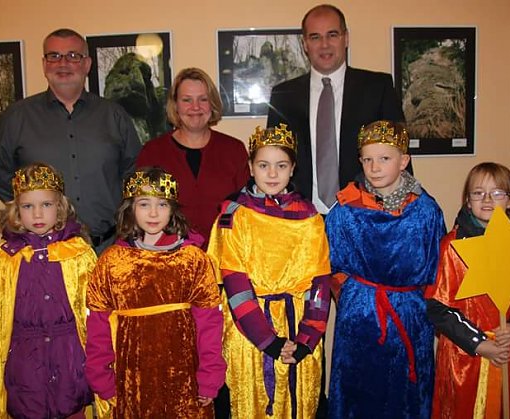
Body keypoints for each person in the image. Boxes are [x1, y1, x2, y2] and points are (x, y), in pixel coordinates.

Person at [207, 124, 331, 418]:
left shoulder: (310, 218)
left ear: (293, 169)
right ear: (250, 167)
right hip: (249, 332)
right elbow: (235, 286)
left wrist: (307, 339)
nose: (272, 174)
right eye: (264, 165)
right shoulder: (234, 215)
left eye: (281, 165)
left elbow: (319, 284)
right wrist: (269, 341)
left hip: (298, 326)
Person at [325, 120, 444, 418]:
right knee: (359, 390)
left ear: (404, 161)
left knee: (404, 392)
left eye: (384, 158)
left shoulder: (426, 210)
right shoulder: (345, 209)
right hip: (359, 316)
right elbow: (332, 267)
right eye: (367, 159)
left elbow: (436, 270)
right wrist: (352, 297)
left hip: (409, 316)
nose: (374, 167)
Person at [85, 167, 225, 418]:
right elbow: (98, 325)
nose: (153, 213)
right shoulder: (112, 261)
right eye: (144, 204)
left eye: (162, 204)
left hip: (185, 380)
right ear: (130, 208)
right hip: (132, 381)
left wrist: (210, 376)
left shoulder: (193, 259)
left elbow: (209, 323)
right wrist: (101, 377)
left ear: (172, 209)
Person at [0, 28, 141, 253]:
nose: (63, 63)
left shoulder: (114, 115)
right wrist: (29, 210)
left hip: (106, 250)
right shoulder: (17, 117)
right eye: (54, 56)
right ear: (44, 64)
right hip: (43, 252)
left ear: (87, 64)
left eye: (73, 56)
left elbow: (133, 174)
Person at [425, 162, 510, 419]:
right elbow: (438, 307)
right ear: (467, 200)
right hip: (465, 356)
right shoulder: (452, 247)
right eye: (478, 193)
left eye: (497, 193)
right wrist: (480, 343)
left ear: (509, 200)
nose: (486, 199)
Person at [0, 162, 97, 418]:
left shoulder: (78, 252)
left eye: (46, 205)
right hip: (25, 363)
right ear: (16, 212)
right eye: (28, 206)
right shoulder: (5, 258)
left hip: (70, 359)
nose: (38, 214)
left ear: (60, 208)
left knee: (72, 410)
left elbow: (95, 310)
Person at [267, 4, 406, 214]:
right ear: (305, 44)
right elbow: (272, 158)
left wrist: (402, 212)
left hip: (365, 217)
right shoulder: (283, 96)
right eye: (315, 37)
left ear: (346, 38)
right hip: (300, 219)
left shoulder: (378, 88)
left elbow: (398, 152)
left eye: (332, 35)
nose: (324, 45)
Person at [136, 67, 250, 245]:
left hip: (225, 259)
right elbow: (139, 212)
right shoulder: (152, 152)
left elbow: (247, 212)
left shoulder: (234, 150)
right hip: (169, 260)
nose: (195, 107)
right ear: (175, 105)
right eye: (187, 100)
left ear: (212, 104)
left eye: (203, 99)